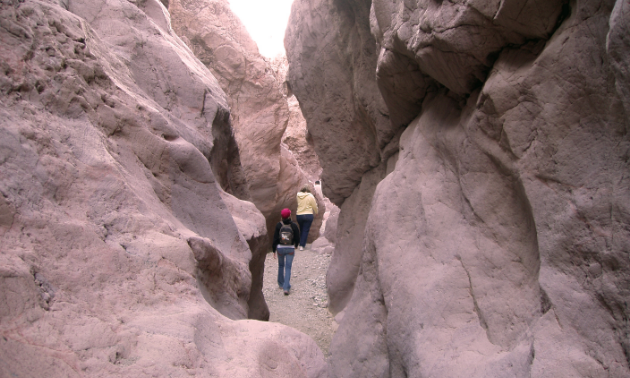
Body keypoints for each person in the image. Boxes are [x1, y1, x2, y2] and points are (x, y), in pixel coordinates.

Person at [272, 208, 300, 295]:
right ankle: (286, 288)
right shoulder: (294, 225)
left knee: (281, 266)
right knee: (288, 267)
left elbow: (275, 238)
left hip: (280, 248)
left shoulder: (278, 225)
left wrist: (274, 250)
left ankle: (281, 284)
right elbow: (297, 237)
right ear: (289, 215)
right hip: (290, 248)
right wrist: (295, 245)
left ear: (282, 216)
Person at [296, 185, 318, 251]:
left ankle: (300, 242)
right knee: (305, 230)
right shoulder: (311, 196)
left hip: (299, 214)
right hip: (308, 214)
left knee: (301, 228)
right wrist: (316, 212)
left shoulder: (298, 195)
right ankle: (302, 245)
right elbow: (314, 205)